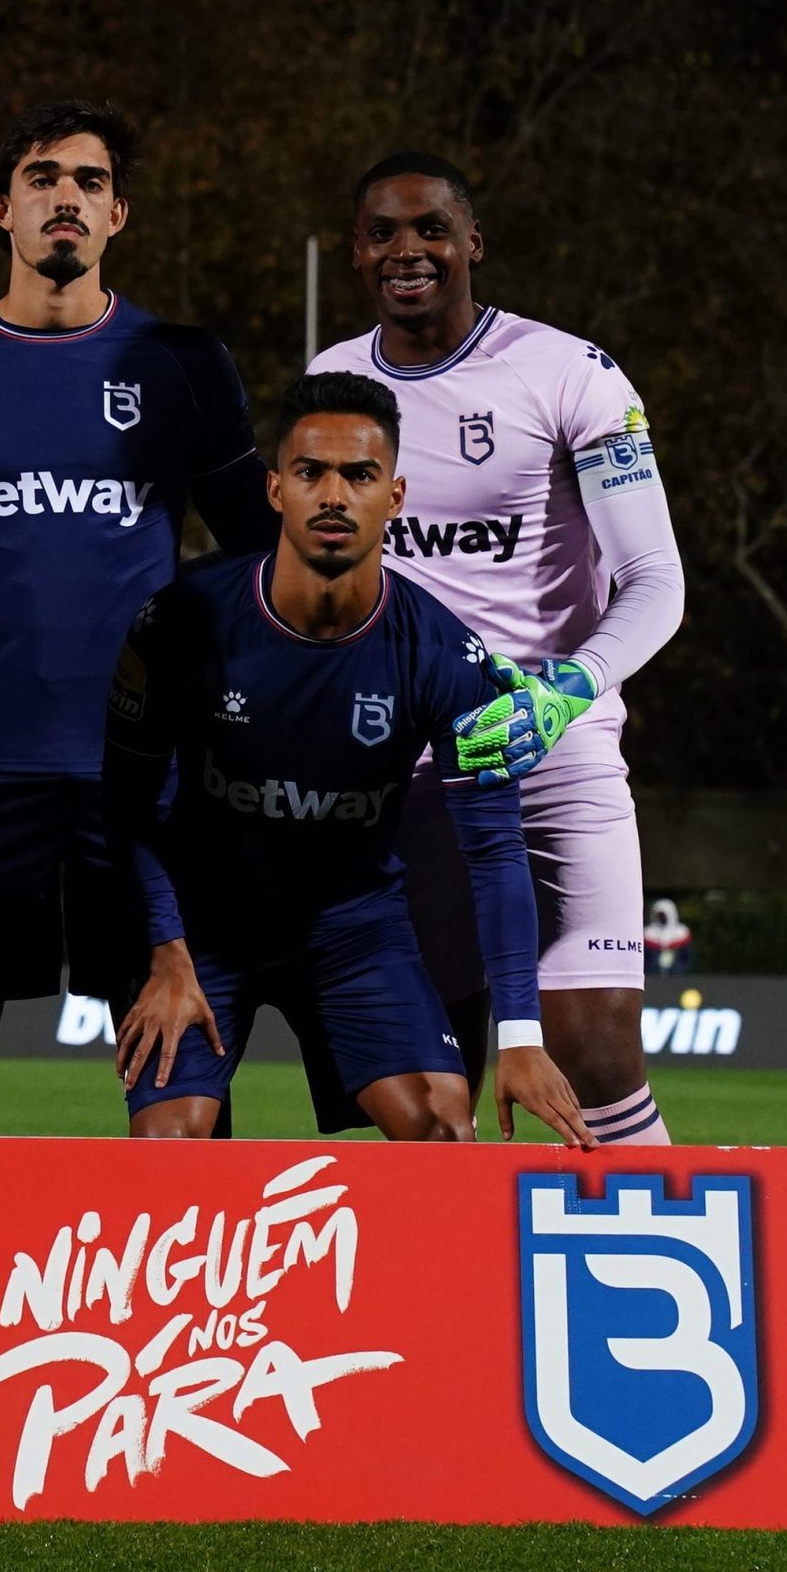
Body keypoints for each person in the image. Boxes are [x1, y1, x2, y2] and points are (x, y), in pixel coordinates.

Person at [0, 99, 274, 1086]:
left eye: (90, 182)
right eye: (42, 179)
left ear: (117, 217)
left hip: (141, 783)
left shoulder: (182, 367)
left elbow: (257, 558)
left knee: (180, 1095)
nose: (67, 197)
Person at [103, 371, 592, 1148]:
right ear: (275, 491)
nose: (334, 495)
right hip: (202, 930)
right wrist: (162, 952)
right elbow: (127, 803)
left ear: (394, 496)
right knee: (169, 1150)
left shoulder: (443, 654)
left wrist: (523, 1038)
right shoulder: (180, 620)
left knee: (442, 1132)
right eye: (311, 473)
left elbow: (495, 847)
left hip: (352, 927)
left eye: (359, 475)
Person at [309, 152, 686, 1144]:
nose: (408, 250)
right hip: (406, 771)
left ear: (470, 242)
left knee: (593, 1056)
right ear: (357, 254)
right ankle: (448, 1298)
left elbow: (656, 582)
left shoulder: (567, 371)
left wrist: (565, 691)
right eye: (383, 233)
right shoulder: (330, 383)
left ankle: (659, 1287)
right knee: (428, 1089)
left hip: (554, 754)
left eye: (430, 228)